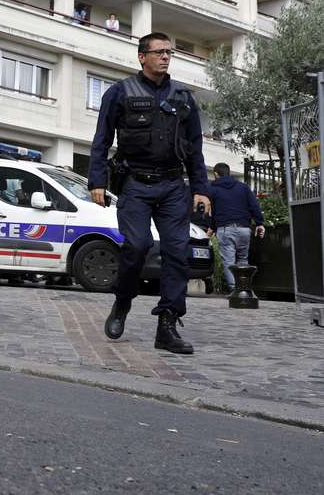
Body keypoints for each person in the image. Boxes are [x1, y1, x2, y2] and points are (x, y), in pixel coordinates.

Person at [88, 32, 210, 355]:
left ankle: (167, 324)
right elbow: (101, 141)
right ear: (142, 56)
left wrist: (201, 188)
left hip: (172, 185)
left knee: (177, 252)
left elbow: (195, 147)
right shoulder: (119, 93)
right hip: (135, 184)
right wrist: (96, 182)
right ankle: (123, 301)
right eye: (158, 52)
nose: (165, 57)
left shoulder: (183, 97)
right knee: (137, 246)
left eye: (169, 52)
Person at [207, 162, 265, 291]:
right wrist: (260, 223)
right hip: (244, 229)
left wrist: (212, 227)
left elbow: (214, 211)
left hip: (226, 229)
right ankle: (244, 289)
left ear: (216, 174)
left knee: (229, 262)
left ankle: (235, 290)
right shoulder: (243, 187)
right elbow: (254, 206)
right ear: (229, 172)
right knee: (242, 260)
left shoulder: (212, 189)